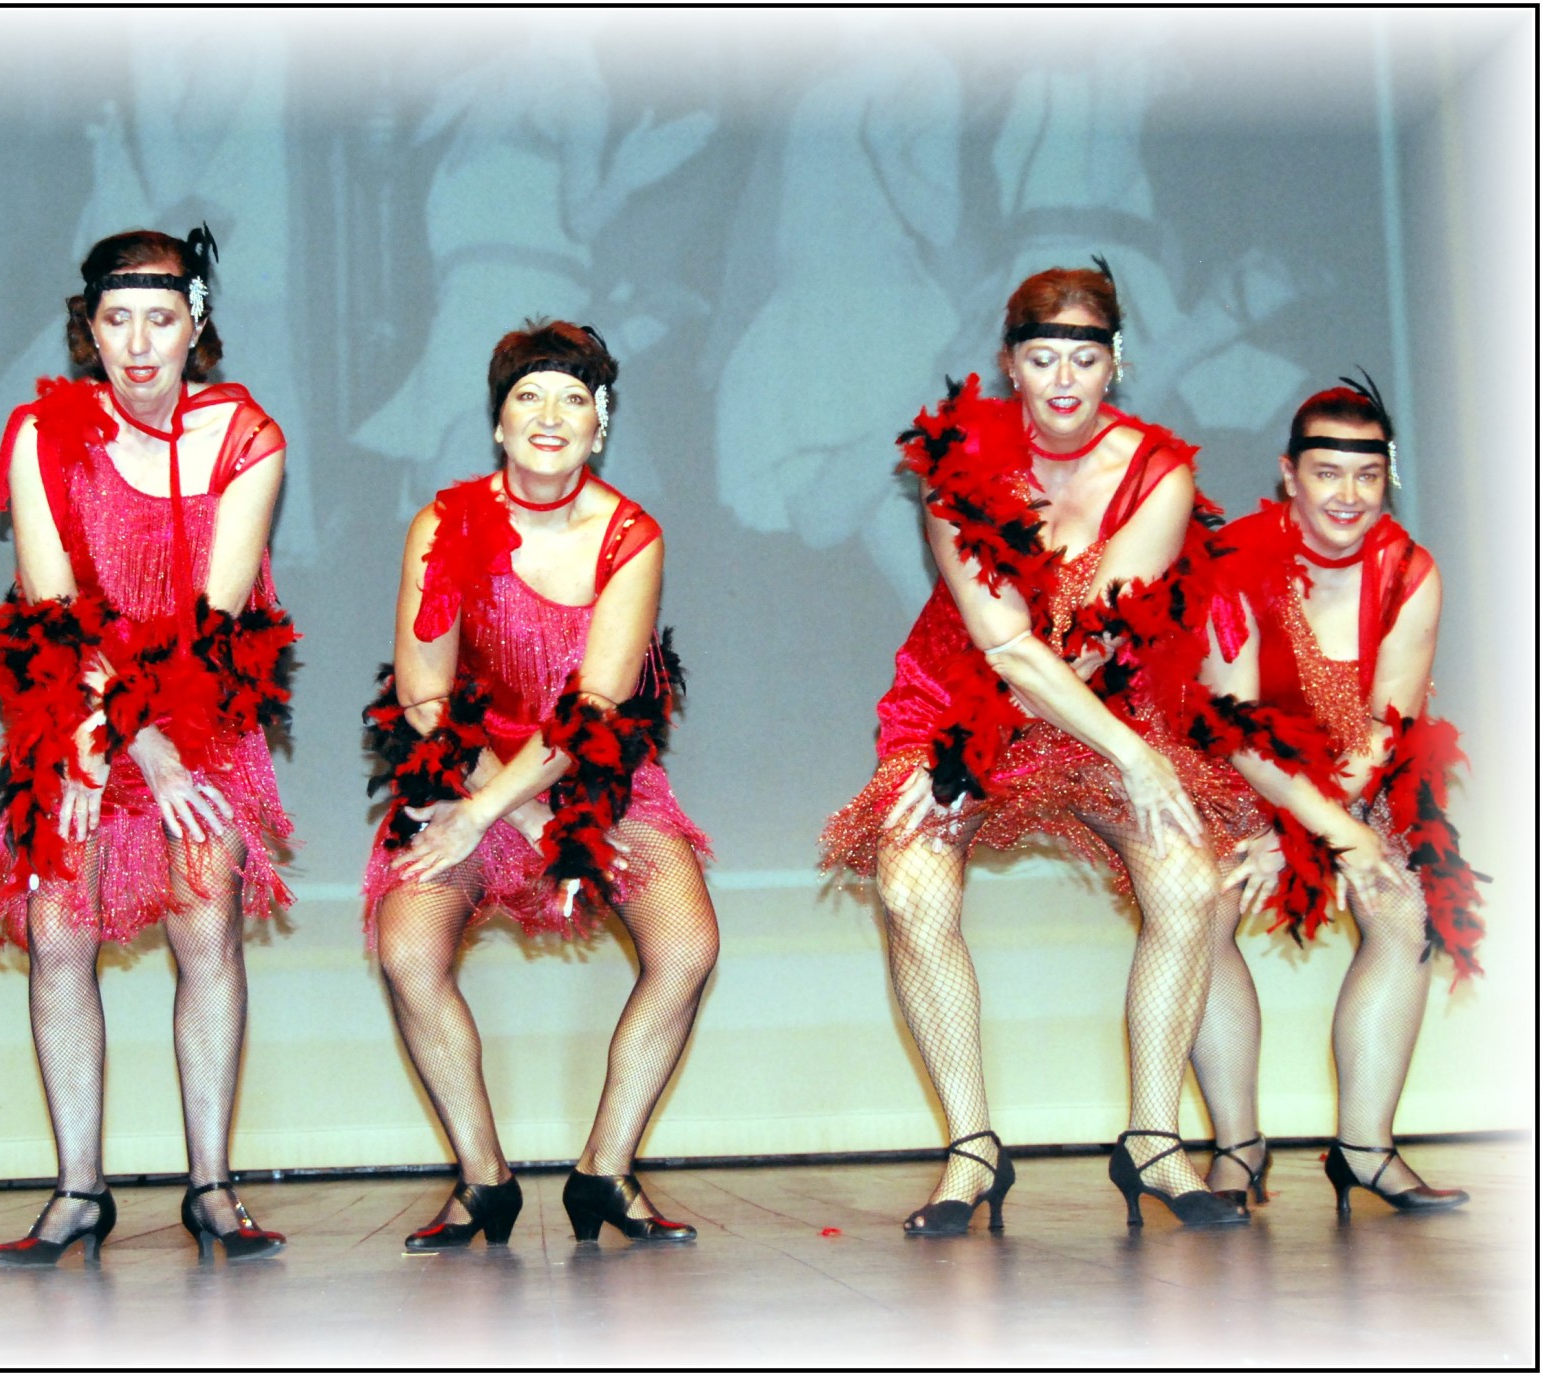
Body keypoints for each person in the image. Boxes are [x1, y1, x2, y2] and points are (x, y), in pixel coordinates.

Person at [820, 263, 1252, 1234]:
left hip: (1095, 705)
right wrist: (969, 755)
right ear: (1009, 362)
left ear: (1116, 363)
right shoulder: (955, 462)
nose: (1064, 378)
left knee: (1190, 882)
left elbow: (1089, 644)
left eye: (1084, 358)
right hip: (955, 702)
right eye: (1043, 356)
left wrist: (1135, 754)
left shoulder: (1158, 473)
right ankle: (972, 1150)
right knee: (911, 888)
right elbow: (1007, 646)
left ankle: (1154, 1140)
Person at [0, 226, 295, 1265]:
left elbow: (216, 622)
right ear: (90, 330)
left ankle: (212, 1187)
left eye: (161, 319)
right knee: (59, 932)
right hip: (76, 703)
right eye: (118, 320)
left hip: (201, 708)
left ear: (197, 325)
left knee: (206, 923)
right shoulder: (39, 432)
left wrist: (157, 743)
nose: (140, 343)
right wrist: (112, 738)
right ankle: (78, 1191)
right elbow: (51, 612)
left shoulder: (248, 436)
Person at [362, 320, 717, 1249]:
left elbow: (598, 704)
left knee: (687, 944)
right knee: (407, 952)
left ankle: (606, 1170)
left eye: (573, 398)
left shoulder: (632, 535)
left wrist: (514, 811)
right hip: (466, 770)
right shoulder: (443, 522)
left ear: (602, 424)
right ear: (498, 423)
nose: (550, 416)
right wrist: (494, 809)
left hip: (594, 778)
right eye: (528, 397)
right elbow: (423, 693)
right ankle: (483, 1179)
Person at [1189, 378, 1481, 1214]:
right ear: (1289, 475)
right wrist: (1307, 826)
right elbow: (1235, 727)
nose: (1348, 495)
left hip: (1356, 776)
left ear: (1388, 476)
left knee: (1405, 907)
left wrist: (1318, 831)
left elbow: (1387, 726)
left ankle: (1364, 1149)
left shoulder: (1411, 571)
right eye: (1326, 473)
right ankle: (1237, 1150)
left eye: (1367, 474)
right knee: (1197, 904)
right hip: (1243, 768)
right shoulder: (1233, 560)